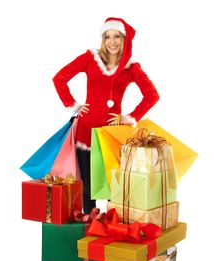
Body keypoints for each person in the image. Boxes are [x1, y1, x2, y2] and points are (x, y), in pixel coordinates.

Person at [53, 17, 159, 214]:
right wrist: (73, 105)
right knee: (87, 186)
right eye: (107, 37)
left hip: (112, 135)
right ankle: (90, 226)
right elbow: (59, 78)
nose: (112, 41)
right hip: (86, 132)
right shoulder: (89, 58)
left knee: (113, 186)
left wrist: (129, 117)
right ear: (102, 39)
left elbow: (152, 95)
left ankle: (112, 226)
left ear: (124, 39)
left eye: (116, 36)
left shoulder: (131, 67)